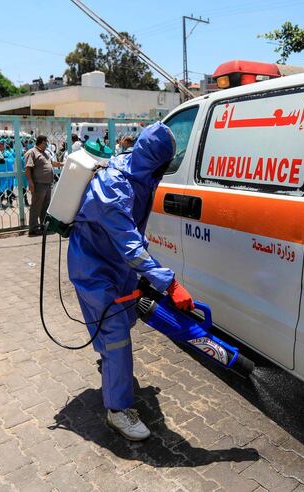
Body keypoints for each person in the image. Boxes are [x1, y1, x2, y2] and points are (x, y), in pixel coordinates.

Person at [68, 122, 194, 441]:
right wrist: (170, 284)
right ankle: (118, 411)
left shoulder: (140, 170)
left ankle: (111, 366)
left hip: (116, 263)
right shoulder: (114, 186)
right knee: (116, 334)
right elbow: (130, 245)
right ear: (160, 162)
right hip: (94, 265)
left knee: (124, 319)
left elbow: (133, 233)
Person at [24, 135, 62, 236]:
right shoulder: (32, 152)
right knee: (36, 206)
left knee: (45, 206)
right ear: (40, 142)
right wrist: (30, 182)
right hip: (38, 184)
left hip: (47, 184)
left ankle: (43, 226)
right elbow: (27, 169)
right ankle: (33, 228)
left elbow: (52, 163)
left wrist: (63, 164)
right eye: (45, 143)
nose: (46, 145)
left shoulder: (44, 153)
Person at [0, 140, 15, 208]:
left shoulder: (8, 153)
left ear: (4, 145)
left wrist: (5, 160)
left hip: (7, 173)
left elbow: (12, 161)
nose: (0, 146)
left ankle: (9, 201)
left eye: (2, 144)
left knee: (9, 187)